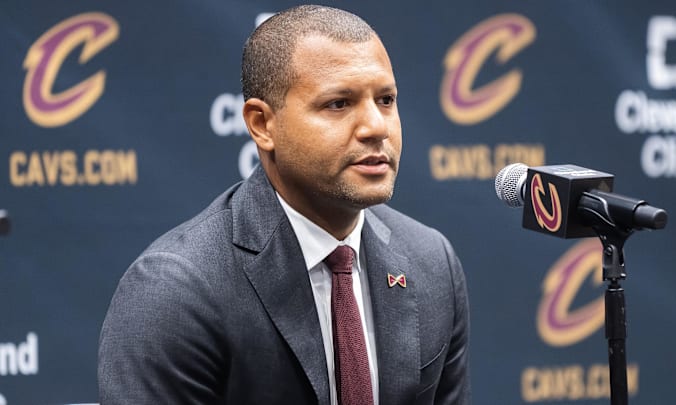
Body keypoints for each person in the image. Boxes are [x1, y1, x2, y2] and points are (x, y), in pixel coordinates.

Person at [98, 5, 470, 404]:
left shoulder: (432, 262)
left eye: (385, 100)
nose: (376, 127)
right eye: (338, 104)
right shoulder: (175, 291)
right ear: (262, 124)